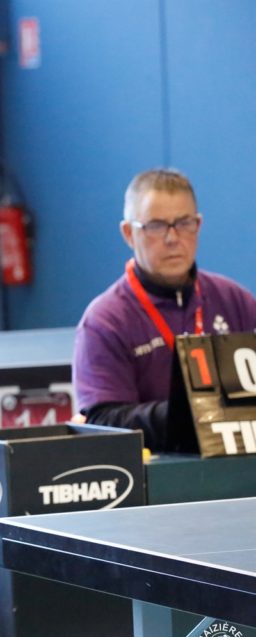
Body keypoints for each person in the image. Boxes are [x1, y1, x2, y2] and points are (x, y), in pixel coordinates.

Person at [73, 168, 256, 451]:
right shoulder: (106, 321)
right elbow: (103, 421)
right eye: (156, 226)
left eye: (184, 223)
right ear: (129, 233)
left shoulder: (235, 301)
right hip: (157, 474)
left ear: (198, 225)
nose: (172, 238)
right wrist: (188, 415)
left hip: (239, 467)